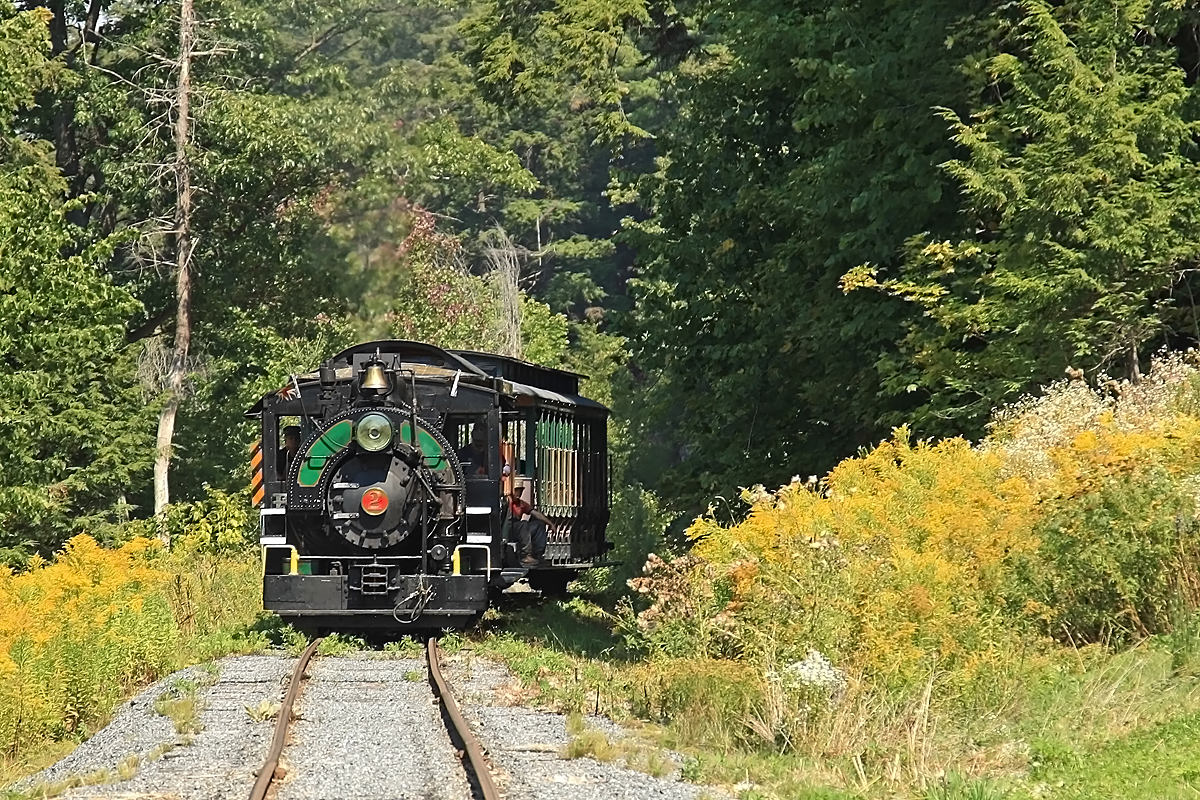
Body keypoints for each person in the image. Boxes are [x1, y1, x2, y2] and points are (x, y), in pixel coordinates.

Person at [508, 483, 551, 567]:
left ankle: (537, 555)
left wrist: (550, 524)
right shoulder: (507, 501)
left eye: (520, 491)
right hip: (509, 530)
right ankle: (525, 555)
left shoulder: (522, 504)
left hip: (520, 530)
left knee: (538, 524)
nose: (519, 493)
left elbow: (536, 514)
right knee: (524, 524)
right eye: (516, 490)